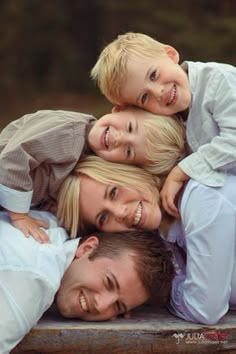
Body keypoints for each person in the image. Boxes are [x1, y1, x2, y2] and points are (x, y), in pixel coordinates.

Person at [59, 154, 236, 325]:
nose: (120, 212)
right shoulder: (159, 241)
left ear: (130, 172)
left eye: (114, 192)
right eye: (104, 217)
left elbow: (204, 309)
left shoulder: (202, 197)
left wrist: (161, 293)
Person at [91, 31, 236, 218]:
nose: (158, 91)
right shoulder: (173, 119)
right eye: (144, 97)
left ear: (170, 54)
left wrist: (182, 171)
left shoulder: (218, 80)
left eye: (153, 75)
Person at [0, 209, 174, 354]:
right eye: (109, 282)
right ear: (87, 248)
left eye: (118, 306)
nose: (101, 305)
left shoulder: (50, 225)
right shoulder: (35, 280)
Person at [0, 108, 185, 241]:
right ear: (120, 109)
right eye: (113, 191)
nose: (118, 138)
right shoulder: (69, 133)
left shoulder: (83, 164)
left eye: (129, 151)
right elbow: (13, 158)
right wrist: (20, 216)